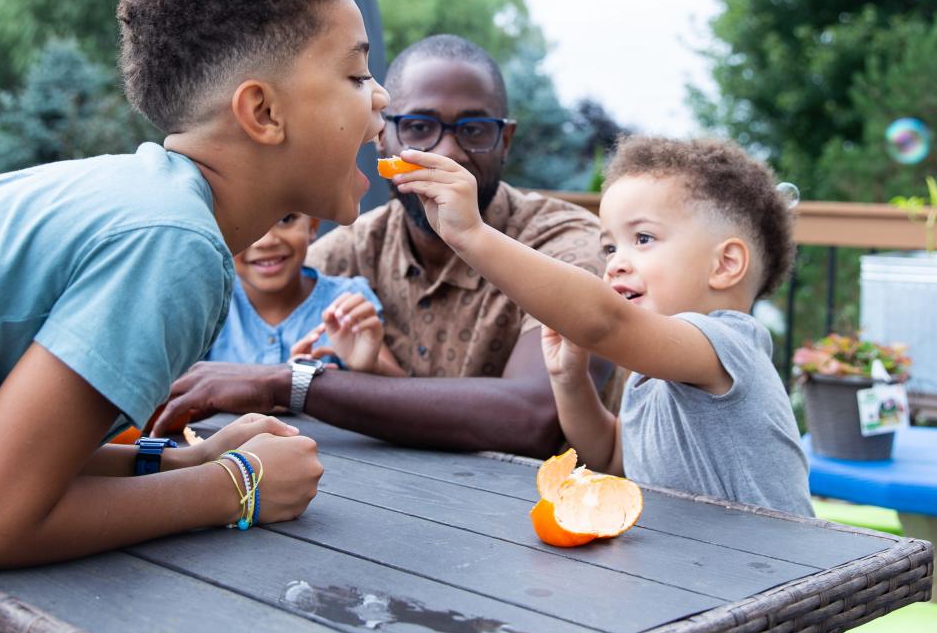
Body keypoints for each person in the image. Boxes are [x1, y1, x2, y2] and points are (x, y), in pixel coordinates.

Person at [0, 0, 387, 568]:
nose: (382, 99)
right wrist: (238, 487)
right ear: (263, 113)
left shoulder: (144, 199)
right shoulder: (174, 244)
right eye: (356, 76)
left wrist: (179, 460)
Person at [386, 134, 841, 633]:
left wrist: (473, 234)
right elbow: (610, 453)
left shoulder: (728, 346)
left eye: (643, 239)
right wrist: (570, 380)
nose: (616, 261)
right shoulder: (658, 374)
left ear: (725, 263)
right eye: (609, 246)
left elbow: (603, 321)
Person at [153, 36, 615, 457]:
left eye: (474, 129)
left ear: (505, 140)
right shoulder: (346, 251)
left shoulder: (563, 244)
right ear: (382, 137)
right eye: (418, 126)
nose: (447, 152)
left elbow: (535, 414)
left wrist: (290, 384)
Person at [208, 211, 404, 375]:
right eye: (242, 222)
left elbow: (403, 399)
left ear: (312, 225)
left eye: (285, 219)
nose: (266, 241)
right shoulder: (208, 303)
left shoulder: (346, 301)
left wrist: (369, 366)